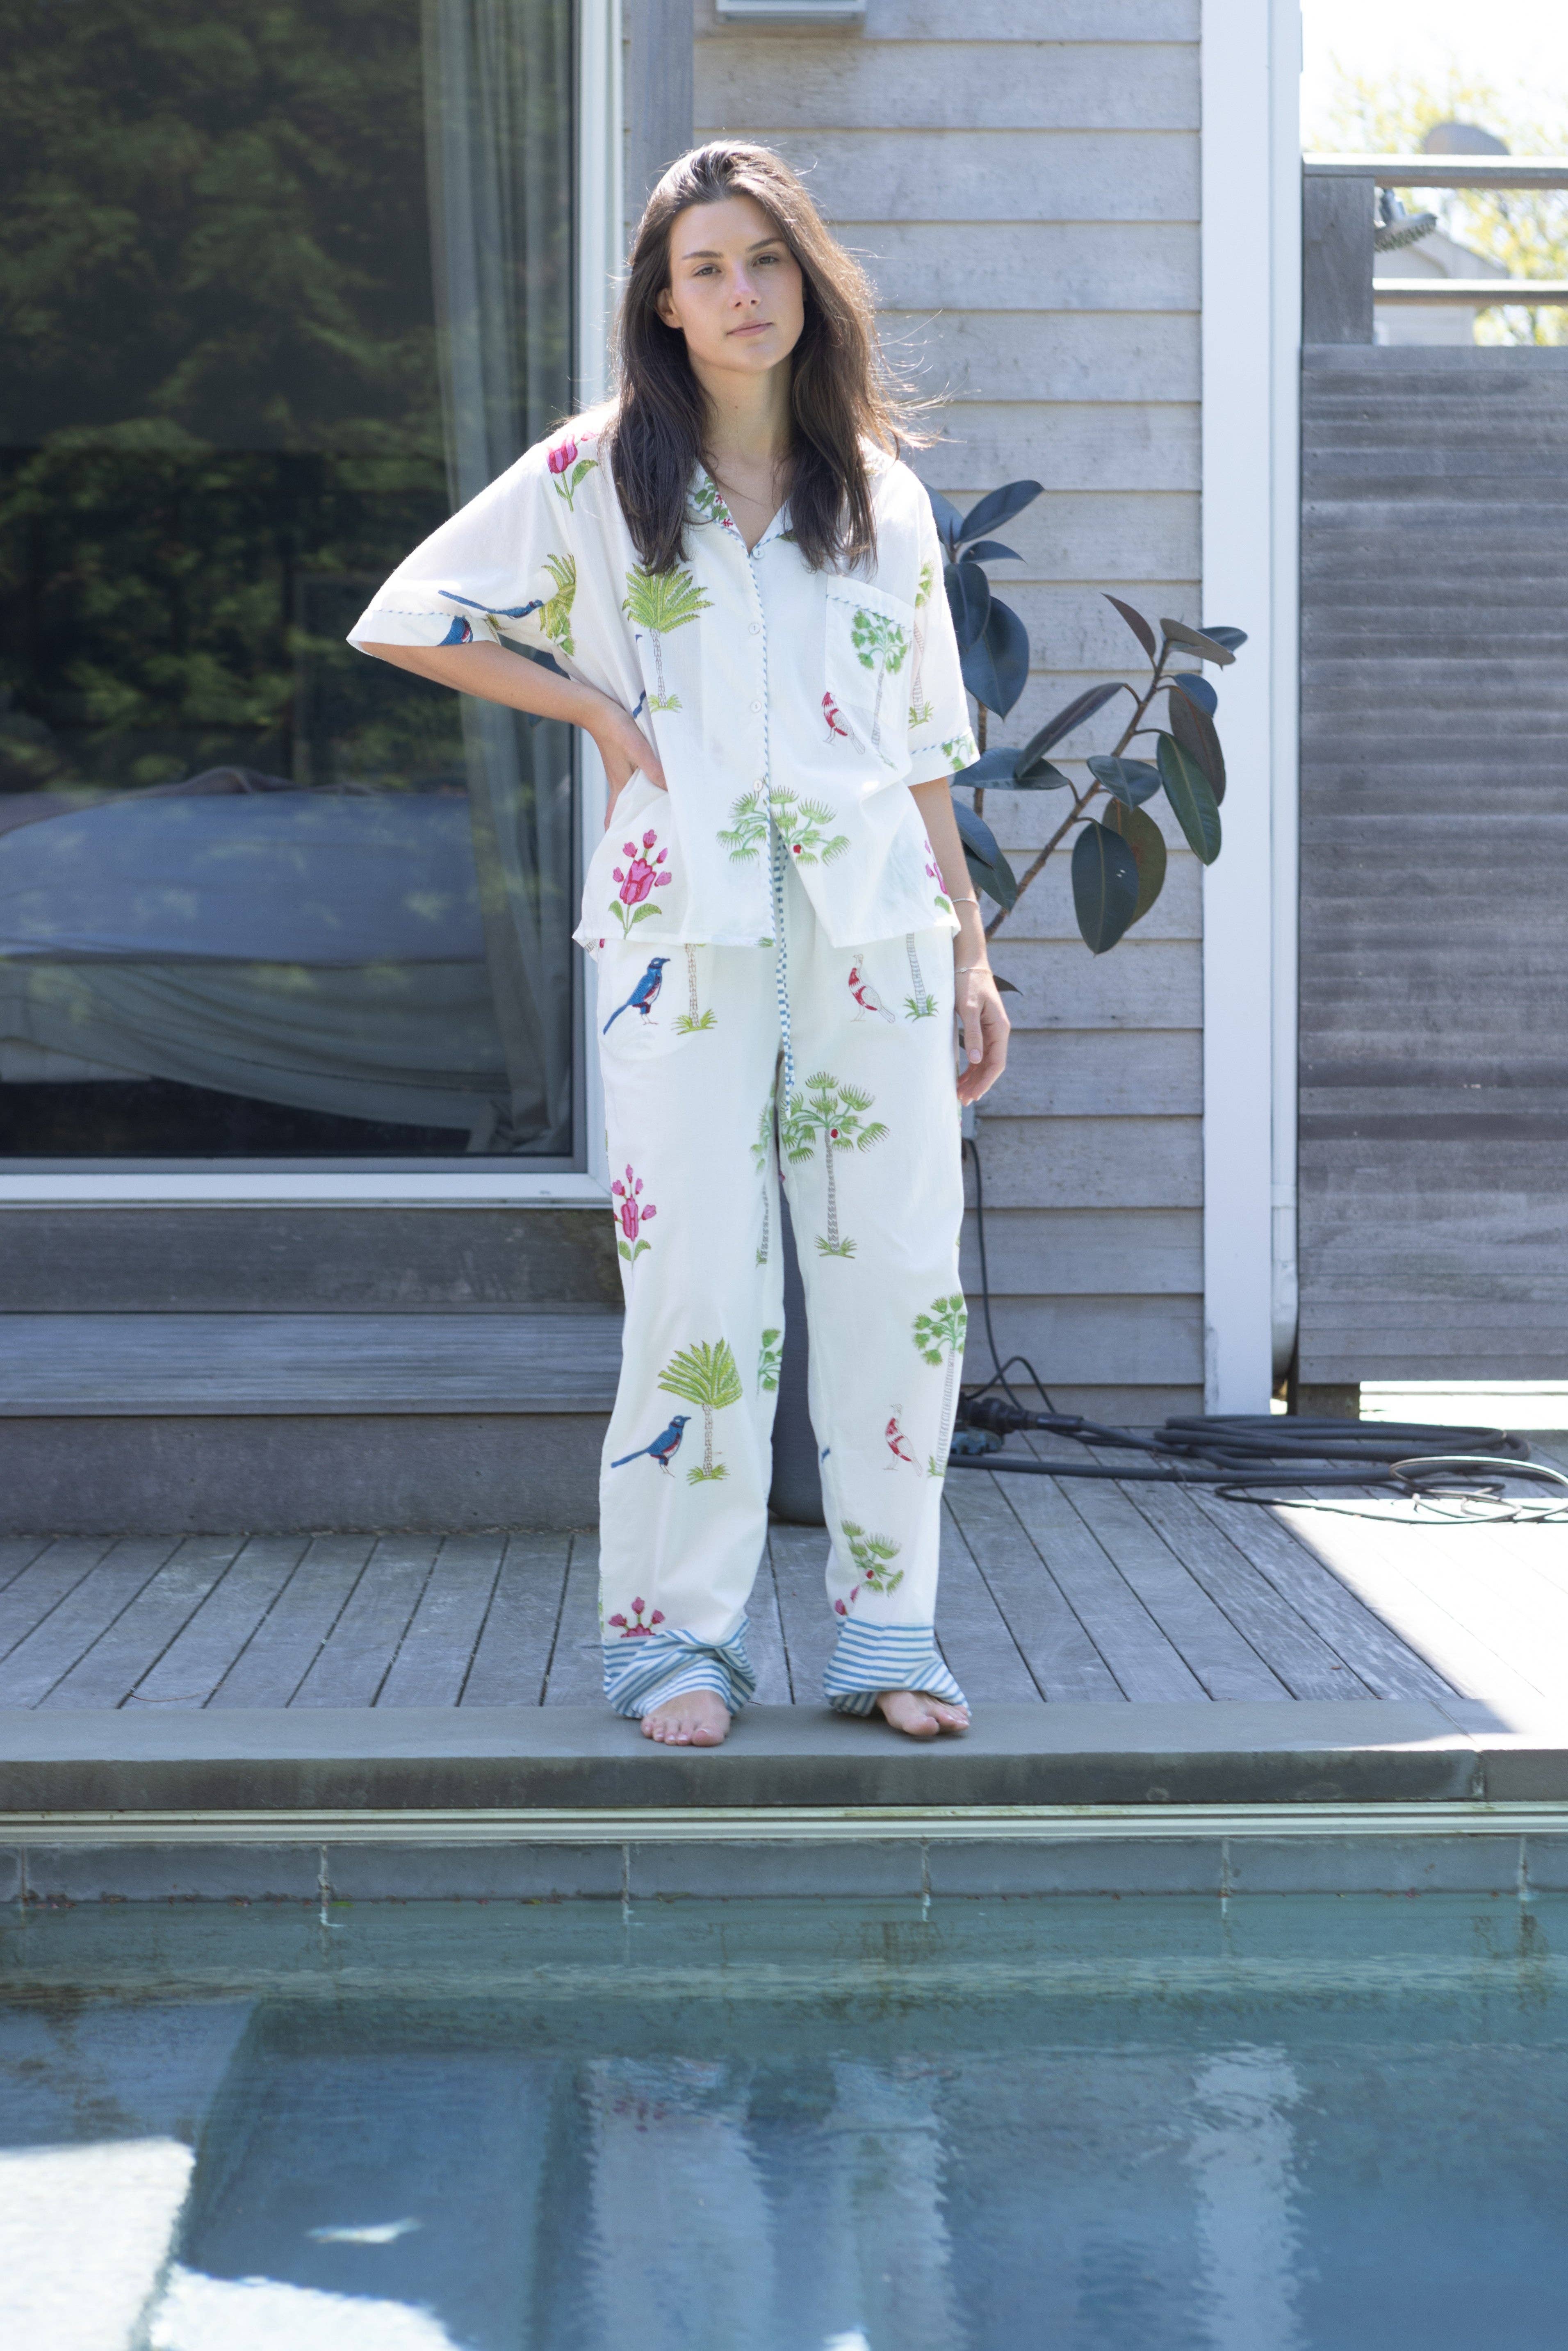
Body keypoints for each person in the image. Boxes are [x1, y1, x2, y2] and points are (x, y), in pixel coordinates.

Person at [351, 141, 1009, 1747]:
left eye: (765, 260)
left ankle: (888, 1635)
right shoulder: (596, 476)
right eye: (705, 268)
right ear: (664, 301)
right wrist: (589, 706)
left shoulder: (881, 494)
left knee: (899, 1284)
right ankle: (675, 1646)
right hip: (680, 941)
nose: (740, 292)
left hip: (873, 932)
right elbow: (411, 614)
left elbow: (927, 740)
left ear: (808, 282)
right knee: (698, 1296)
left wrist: (970, 947)